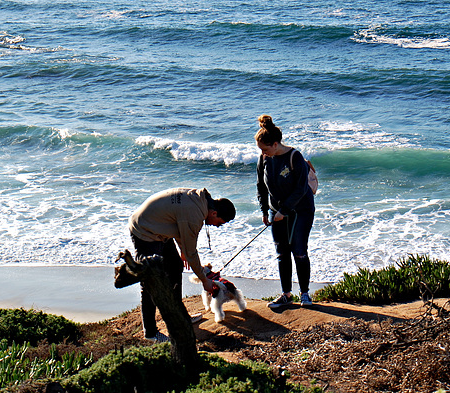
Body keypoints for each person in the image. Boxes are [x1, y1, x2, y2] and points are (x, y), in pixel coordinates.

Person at [129, 187, 236, 341]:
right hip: (145, 231)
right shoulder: (195, 214)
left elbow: (180, 222)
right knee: (150, 282)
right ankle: (151, 333)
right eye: (219, 223)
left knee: (175, 266)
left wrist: (183, 250)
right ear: (213, 213)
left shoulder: (202, 200)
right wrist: (205, 280)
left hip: (160, 228)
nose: (217, 226)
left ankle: (179, 317)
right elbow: (192, 250)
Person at [255, 114, 315, 308]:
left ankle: (305, 294)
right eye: (260, 150)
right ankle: (286, 295)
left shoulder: (294, 156)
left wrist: (285, 210)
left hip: (300, 210)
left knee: (298, 251)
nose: (263, 153)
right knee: (282, 253)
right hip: (276, 210)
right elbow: (261, 186)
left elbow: (301, 189)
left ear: (275, 144)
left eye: (265, 149)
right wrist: (265, 211)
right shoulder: (264, 159)